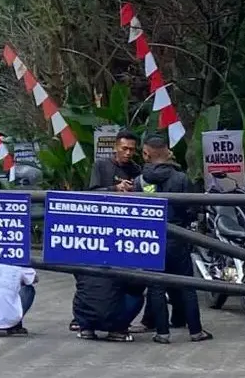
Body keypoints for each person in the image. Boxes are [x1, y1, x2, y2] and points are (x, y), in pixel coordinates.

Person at [133, 135, 213, 344]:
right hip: (178, 237)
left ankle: (162, 333)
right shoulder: (181, 178)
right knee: (186, 285)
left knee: (156, 287)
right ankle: (196, 331)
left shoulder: (139, 181)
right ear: (167, 152)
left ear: (146, 154)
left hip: (149, 238)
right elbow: (192, 209)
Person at [71, 131, 145, 336]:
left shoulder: (136, 169)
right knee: (90, 279)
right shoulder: (101, 166)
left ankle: (115, 320)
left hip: (126, 229)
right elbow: (91, 193)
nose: (128, 153)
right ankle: (83, 318)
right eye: (124, 149)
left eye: (132, 149)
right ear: (115, 147)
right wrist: (115, 188)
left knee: (124, 278)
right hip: (101, 227)